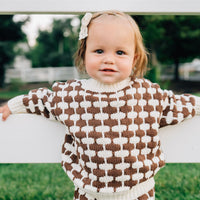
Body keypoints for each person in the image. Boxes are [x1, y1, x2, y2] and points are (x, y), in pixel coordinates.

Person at [0, 10, 200, 200]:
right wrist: (14, 105)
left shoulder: (146, 94)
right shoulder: (72, 95)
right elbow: (43, 100)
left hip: (140, 191)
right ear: (84, 54)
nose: (108, 59)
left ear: (134, 58)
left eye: (120, 52)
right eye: (98, 51)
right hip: (89, 191)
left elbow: (177, 104)